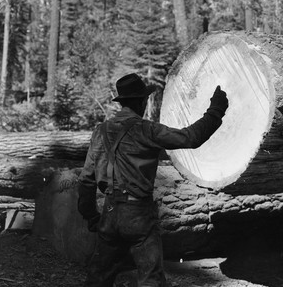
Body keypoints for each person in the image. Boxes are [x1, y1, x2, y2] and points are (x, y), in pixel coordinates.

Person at [77, 73, 229, 287]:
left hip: (109, 214)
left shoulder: (99, 132)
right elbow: (190, 138)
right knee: (151, 278)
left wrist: (91, 215)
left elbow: (86, 180)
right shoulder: (146, 130)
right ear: (141, 101)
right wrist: (216, 110)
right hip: (139, 214)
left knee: (99, 278)